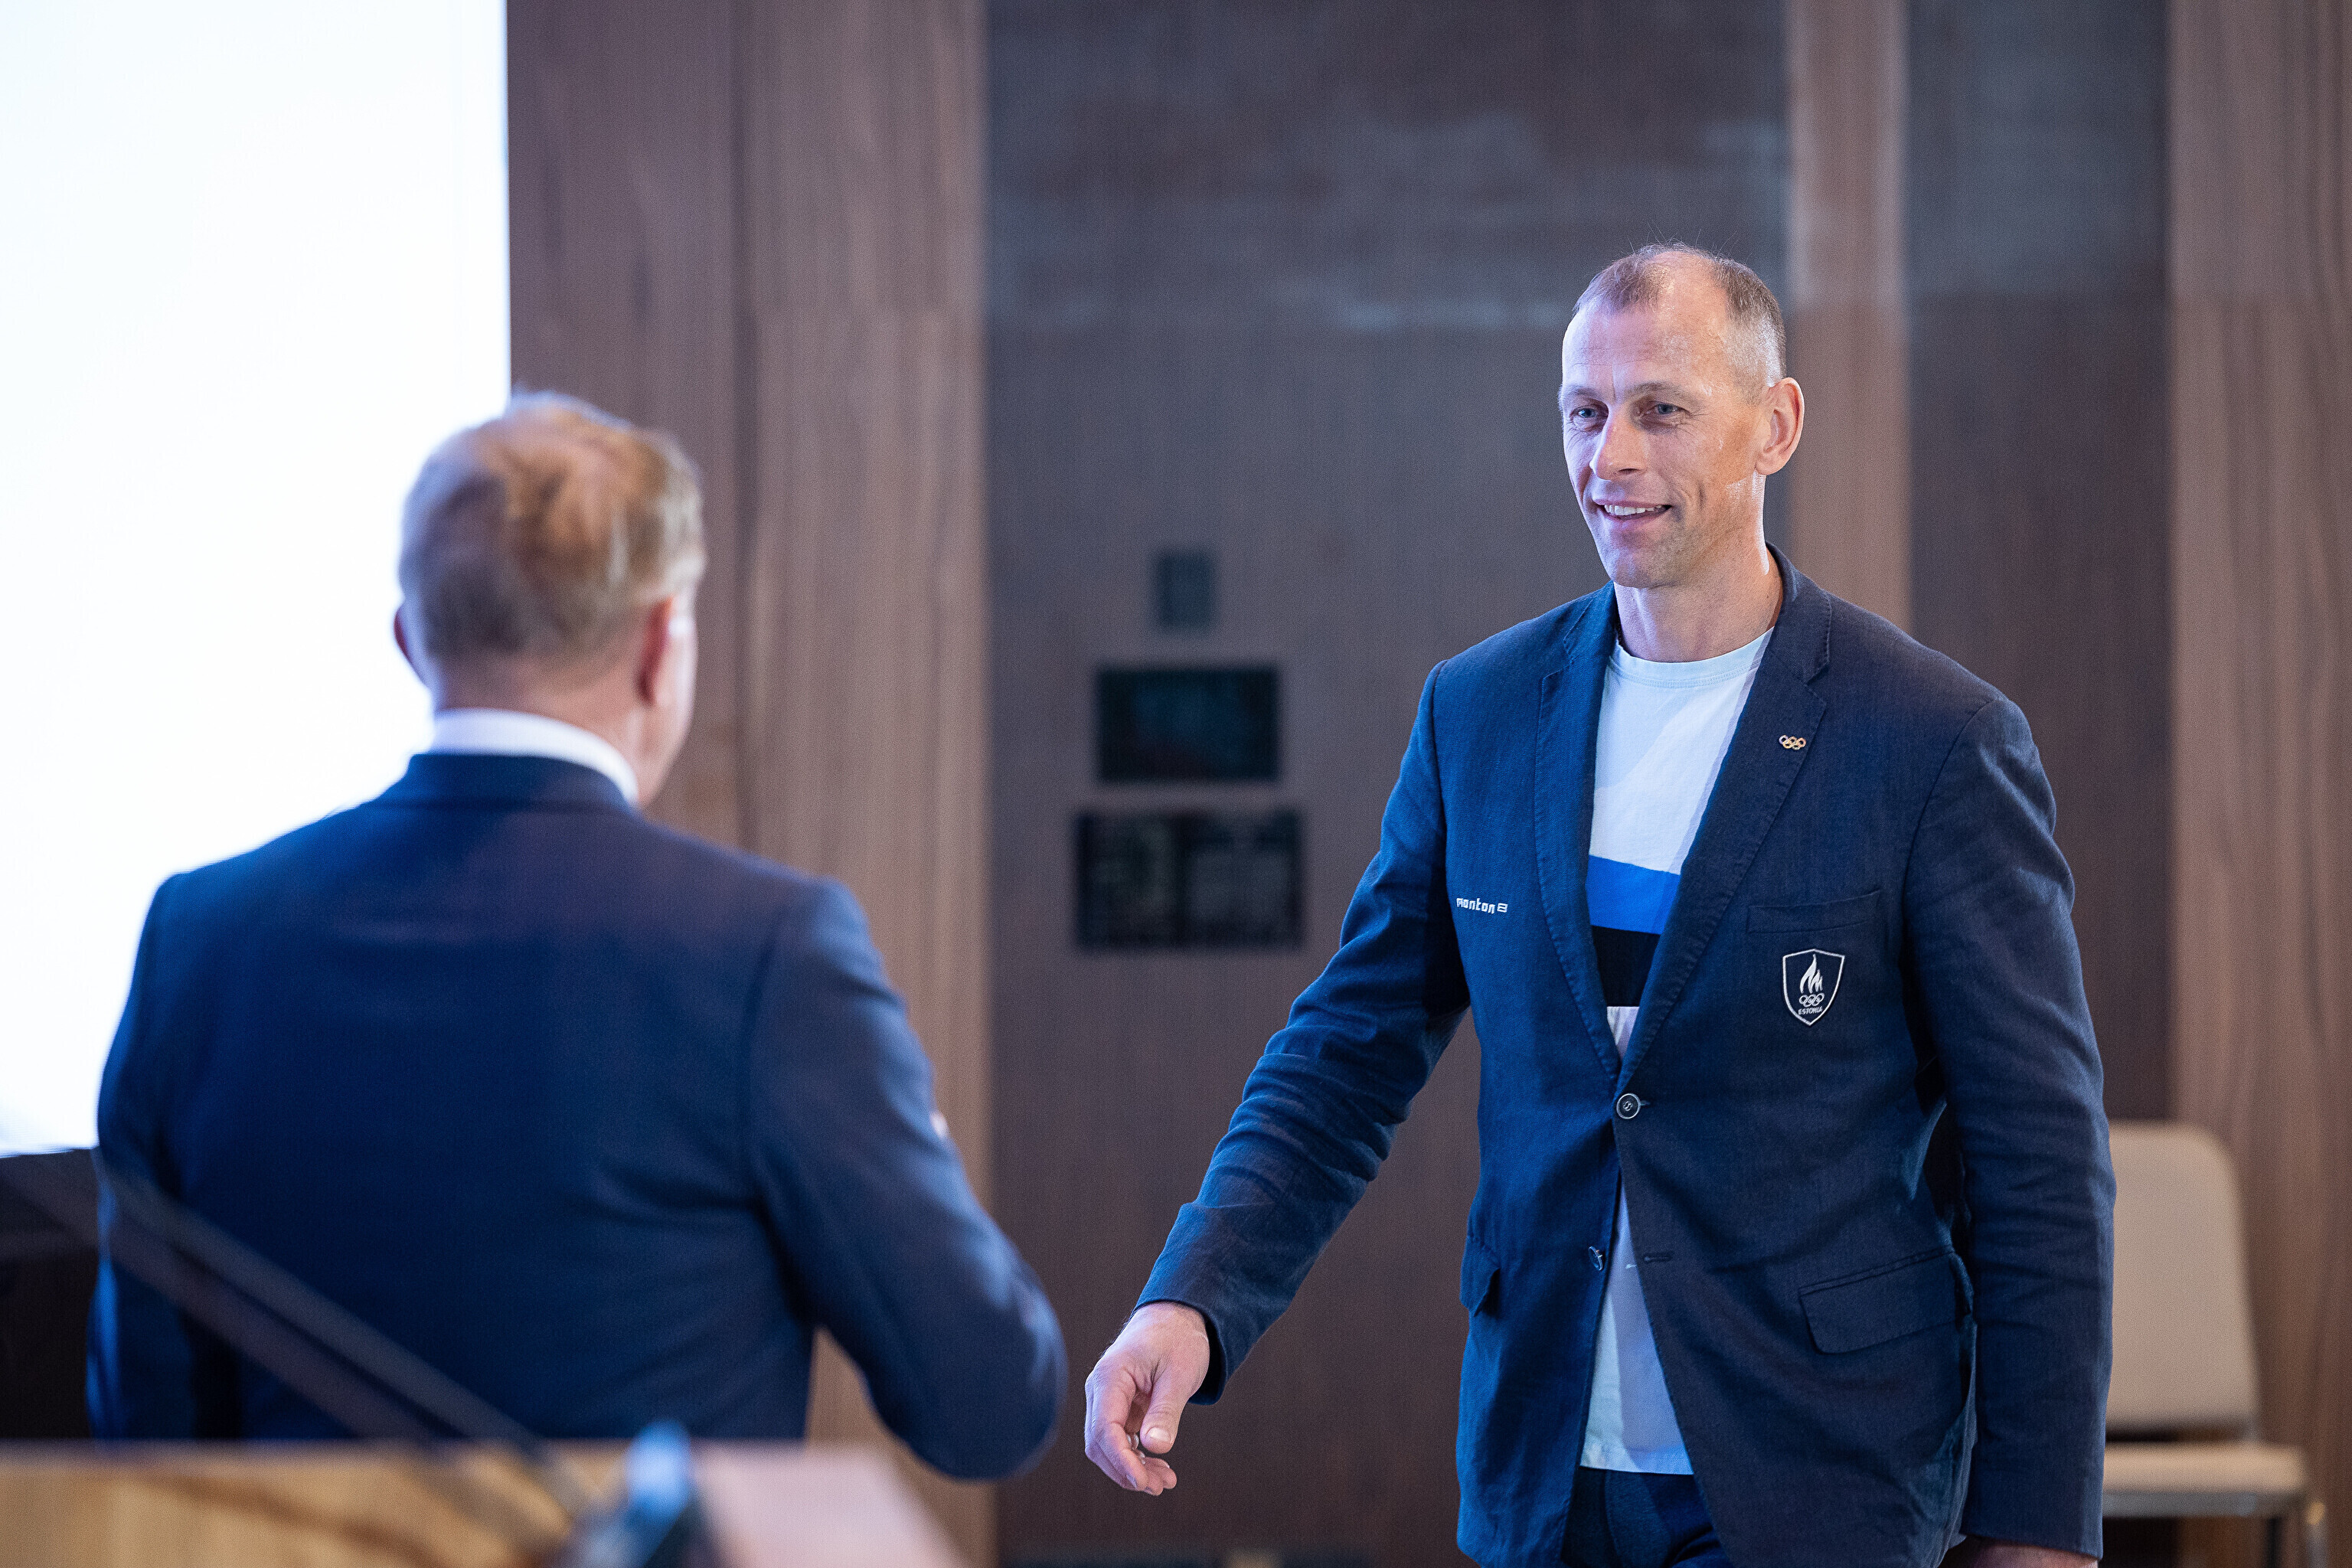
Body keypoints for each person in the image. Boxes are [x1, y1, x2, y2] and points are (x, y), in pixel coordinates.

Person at [1081, 247, 2112, 1568]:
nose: (1609, 456)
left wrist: (2035, 1522)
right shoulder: (1479, 713)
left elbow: (2039, 1158)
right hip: (1544, 1473)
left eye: (1661, 410)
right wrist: (1192, 1298)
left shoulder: (1933, 740)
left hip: (1822, 1479)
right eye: (1584, 411)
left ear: (1775, 426)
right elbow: (1344, 1055)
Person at [87, 394, 1063, 1478]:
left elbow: (145, 1434)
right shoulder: (769, 955)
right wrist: (914, 1153)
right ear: (657, 647)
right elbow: (987, 1406)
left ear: (412, 641)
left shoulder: (199, 940)